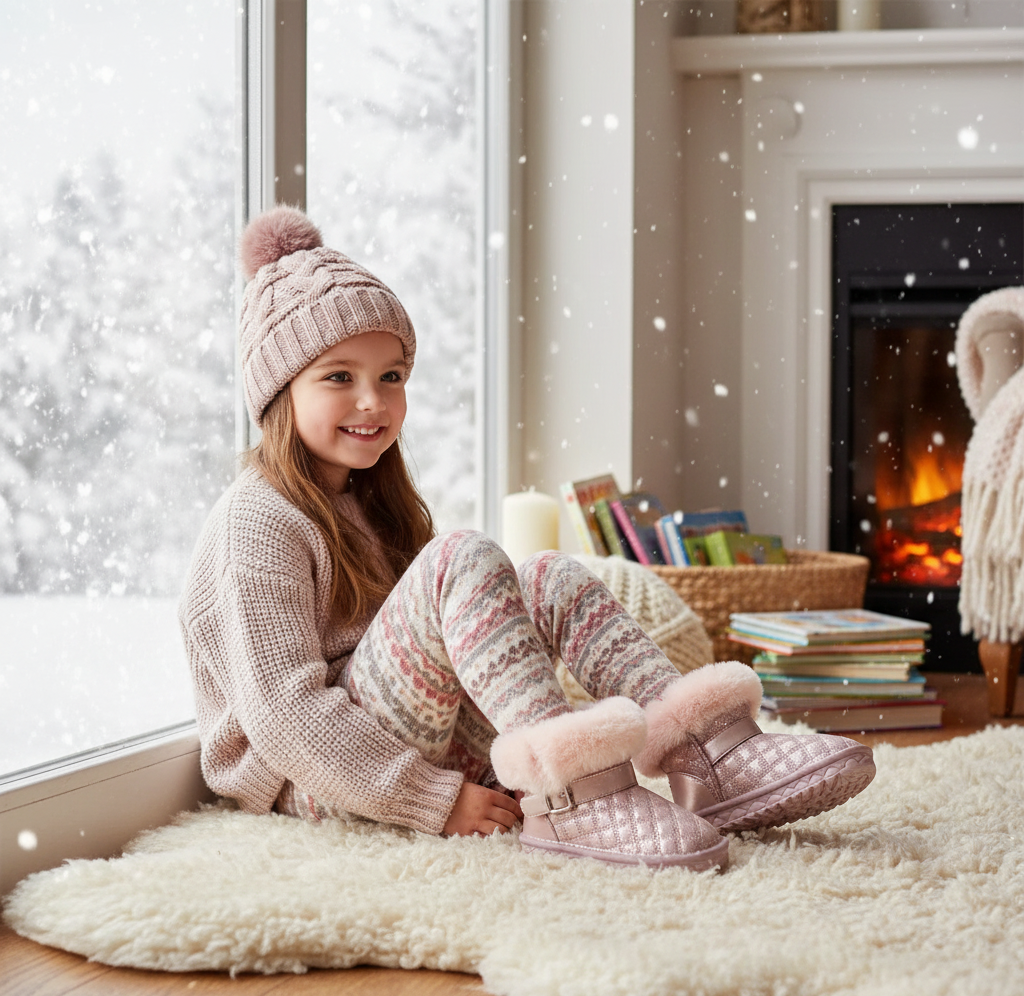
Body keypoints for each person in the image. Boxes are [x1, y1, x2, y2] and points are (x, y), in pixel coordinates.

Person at [179, 206, 876, 873]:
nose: (374, 401)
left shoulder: (367, 498)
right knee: (460, 558)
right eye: (339, 378)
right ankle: (568, 794)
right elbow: (285, 716)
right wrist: (434, 800)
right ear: (278, 394)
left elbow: (442, 657)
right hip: (313, 779)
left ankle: (707, 754)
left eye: (391, 376)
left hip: (406, 736)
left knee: (547, 575)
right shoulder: (257, 521)